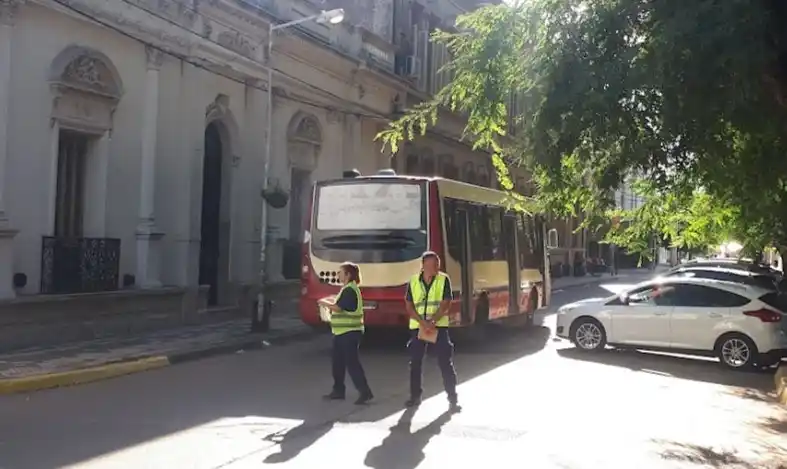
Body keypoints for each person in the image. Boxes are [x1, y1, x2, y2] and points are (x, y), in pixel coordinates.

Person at [404, 251, 460, 412]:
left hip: (438, 326)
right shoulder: (413, 281)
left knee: (445, 362)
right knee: (415, 362)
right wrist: (422, 322)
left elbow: (446, 303)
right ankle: (415, 396)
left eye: (437, 264)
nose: (435, 267)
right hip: (418, 327)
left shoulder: (443, 279)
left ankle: (452, 396)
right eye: (432, 265)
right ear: (423, 266)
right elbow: (409, 305)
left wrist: (433, 321)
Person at [318, 262, 374, 405]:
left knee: (352, 363)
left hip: (350, 332)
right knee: (338, 363)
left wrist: (324, 303)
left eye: (340, 272)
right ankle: (338, 390)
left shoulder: (350, 290)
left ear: (348, 275)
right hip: (341, 332)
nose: (338, 275)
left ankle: (364, 391)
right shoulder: (347, 289)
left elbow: (338, 308)